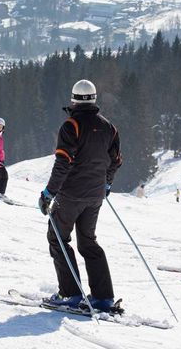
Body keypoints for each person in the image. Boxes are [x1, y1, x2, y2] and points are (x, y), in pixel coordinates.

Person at [38, 79, 122, 311]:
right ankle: (103, 297)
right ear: (94, 98)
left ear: (73, 98)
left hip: (71, 194)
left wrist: (49, 193)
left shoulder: (71, 125)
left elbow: (63, 162)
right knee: (88, 242)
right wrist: (106, 183)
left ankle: (70, 293)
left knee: (58, 238)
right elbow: (116, 161)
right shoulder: (109, 127)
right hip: (95, 196)